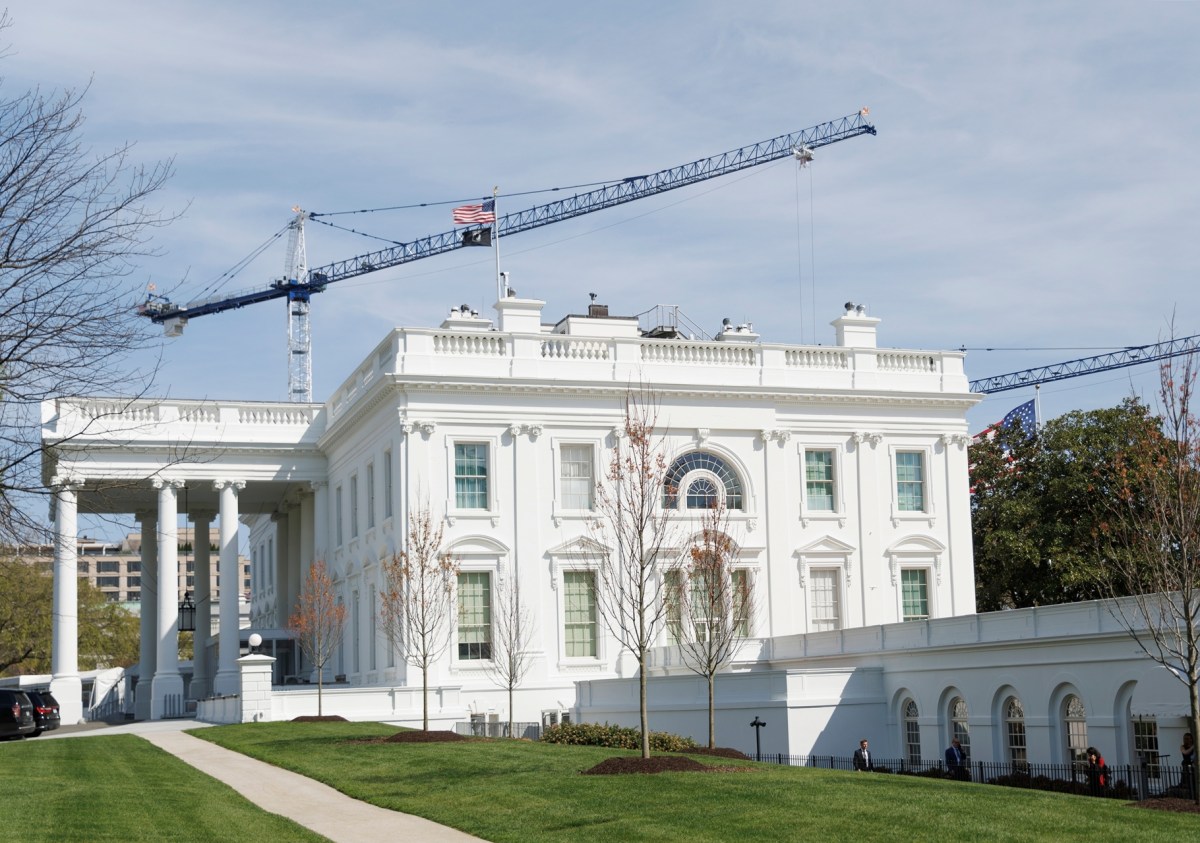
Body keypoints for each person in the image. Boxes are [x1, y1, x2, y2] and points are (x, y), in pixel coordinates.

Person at [1182, 733, 1196, 797]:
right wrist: (1192, 747)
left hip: (1194, 765)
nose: (1189, 740)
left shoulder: (1195, 746)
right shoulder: (1183, 746)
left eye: (1190, 738)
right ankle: (1190, 795)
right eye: (1188, 739)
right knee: (1188, 781)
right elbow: (1185, 752)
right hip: (1186, 765)